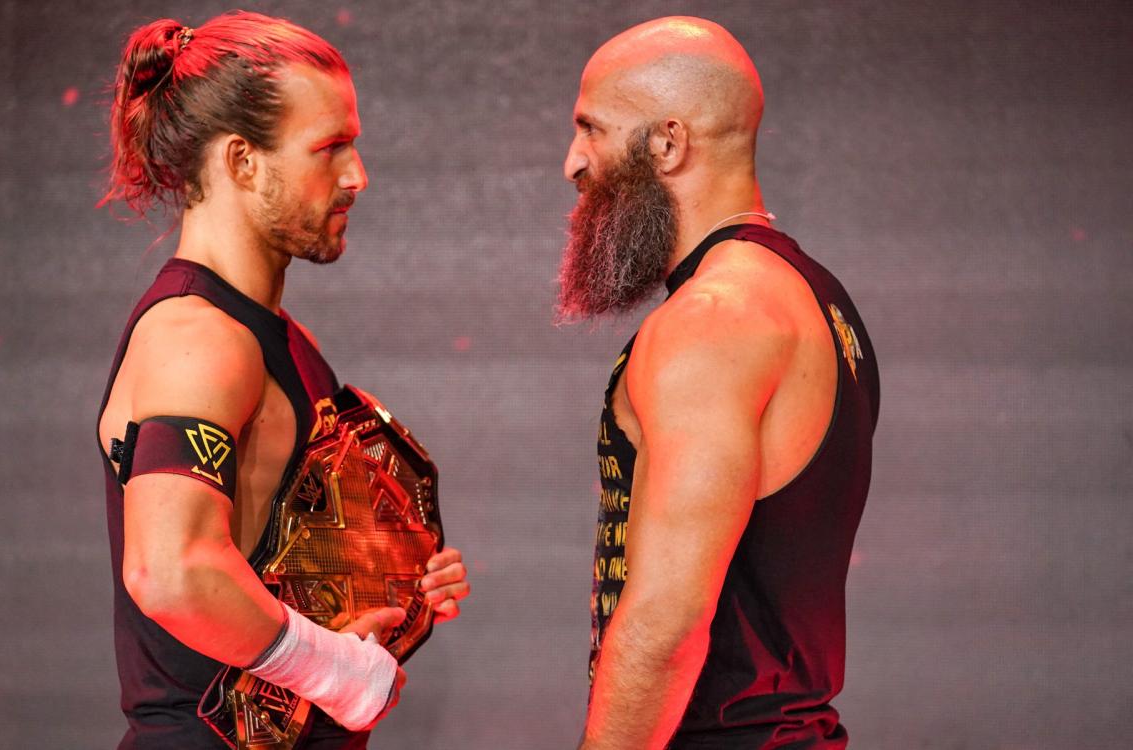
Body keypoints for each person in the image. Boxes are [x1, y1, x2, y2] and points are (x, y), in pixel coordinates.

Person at [95, 12, 469, 748]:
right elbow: (171, 572)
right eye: (329, 148)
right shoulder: (197, 339)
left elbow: (269, 565)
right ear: (241, 161)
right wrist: (338, 671)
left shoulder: (278, 338)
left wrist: (394, 577)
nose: (357, 176)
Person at [557, 16, 880, 749]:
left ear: (667, 144)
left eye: (591, 130)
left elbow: (665, 624)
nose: (573, 163)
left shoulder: (712, 318)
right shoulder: (813, 297)